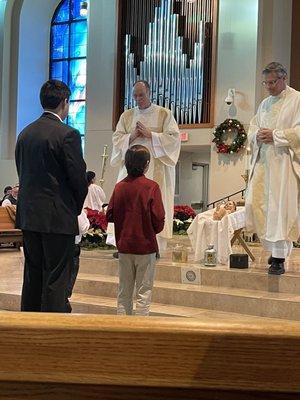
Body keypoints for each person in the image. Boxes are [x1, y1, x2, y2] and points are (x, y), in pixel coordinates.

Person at [15, 79, 88, 312]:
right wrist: (73, 208)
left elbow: (22, 172)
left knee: (33, 274)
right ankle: (53, 334)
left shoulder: (25, 134)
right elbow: (78, 178)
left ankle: (28, 328)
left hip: (29, 216)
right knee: (56, 277)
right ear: (65, 103)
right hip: (57, 218)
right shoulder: (68, 134)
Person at [110, 80, 181, 252]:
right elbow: (117, 139)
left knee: (153, 206)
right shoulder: (126, 116)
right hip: (131, 171)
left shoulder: (164, 114)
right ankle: (123, 242)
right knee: (128, 206)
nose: (138, 99)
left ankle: (155, 246)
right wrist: (132, 136)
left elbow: (173, 138)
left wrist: (152, 136)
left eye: (141, 95)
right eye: (135, 95)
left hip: (155, 169)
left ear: (149, 93)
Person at [245, 62, 300, 275]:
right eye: (265, 83)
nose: (268, 87)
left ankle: (278, 258)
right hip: (264, 164)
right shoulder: (265, 104)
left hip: (284, 165)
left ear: (283, 78)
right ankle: (273, 250)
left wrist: (275, 136)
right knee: (259, 206)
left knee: (279, 209)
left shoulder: (296, 99)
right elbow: (253, 126)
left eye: (272, 82)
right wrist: (257, 135)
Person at [106, 145, 165, 316]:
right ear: (146, 164)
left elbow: (110, 214)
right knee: (143, 292)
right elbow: (158, 218)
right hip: (146, 246)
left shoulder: (119, 187)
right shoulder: (151, 187)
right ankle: (140, 333)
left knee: (124, 292)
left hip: (124, 246)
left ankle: (122, 330)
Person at [66, 209, 90, 308]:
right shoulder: (75, 206)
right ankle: (63, 303)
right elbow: (83, 227)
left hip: (55, 243)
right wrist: (85, 214)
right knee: (68, 278)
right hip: (72, 245)